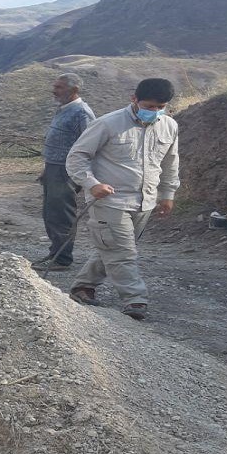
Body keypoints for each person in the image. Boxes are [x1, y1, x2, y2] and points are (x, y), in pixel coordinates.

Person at [65, 78, 179, 320]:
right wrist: (92, 184)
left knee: (112, 248)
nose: (154, 112)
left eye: (160, 107)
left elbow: (170, 163)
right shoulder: (107, 124)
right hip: (110, 202)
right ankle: (135, 300)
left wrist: (168, 194)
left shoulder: (169, 126)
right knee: (122, 252)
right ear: (134, 99)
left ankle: (82, 286)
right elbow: (77, 157)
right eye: (149, 106)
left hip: (145, 202)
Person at [34, 73, 95, 271]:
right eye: (55, 86)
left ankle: (62, 259)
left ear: (74, 90)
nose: (54, 90)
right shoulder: (64, 109)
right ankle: (56, 253)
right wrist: (47, 168)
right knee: (51, 213)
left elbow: (89, 145)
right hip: (54, 167)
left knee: (62, 214)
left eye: (59, 87)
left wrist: (81, 174)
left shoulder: (81, 113)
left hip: (67, 170)